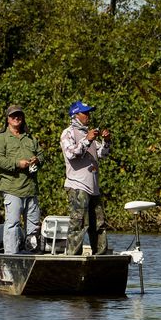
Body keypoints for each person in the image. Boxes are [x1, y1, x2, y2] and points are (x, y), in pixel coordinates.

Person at [0, 104, 45, 254]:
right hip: (12, 189)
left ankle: (31, 255)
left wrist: (37, 160)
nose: (16, 118)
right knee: (12, 224)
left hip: (31, 189)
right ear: (7, 119)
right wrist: (17, 164)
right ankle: (11, 256)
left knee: (33, 226)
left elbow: (41, 156)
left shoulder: (31, 138)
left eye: (19, 115)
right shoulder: (0, 139)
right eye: (13, 116)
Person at [61, 100, 112, 255]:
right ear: (76, 115)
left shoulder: (87, 133)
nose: (88, 115)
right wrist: (87, 139)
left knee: (99, 224)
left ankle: (101, 256)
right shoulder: (68, 133)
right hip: (78, 186)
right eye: (85, 113)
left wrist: (106, 141)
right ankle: (72, 257)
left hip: (93, 188)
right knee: (78, 223)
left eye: (89, 112)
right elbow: (70, 153)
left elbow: (103, 154)